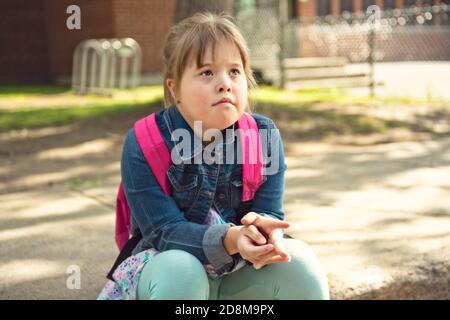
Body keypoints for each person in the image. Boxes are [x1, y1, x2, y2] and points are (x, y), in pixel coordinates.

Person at [98, 12, 329, 300]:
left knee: (300, 263)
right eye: (207, 72)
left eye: (234, 71)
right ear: (174, 87)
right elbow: (164, 232)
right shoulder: (144, 143)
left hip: (240, 271)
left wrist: (264, 233)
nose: (224, 83)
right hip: (168, 271)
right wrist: (230, 239)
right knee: (181, 271)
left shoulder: (264, 136)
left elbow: (270, 211)